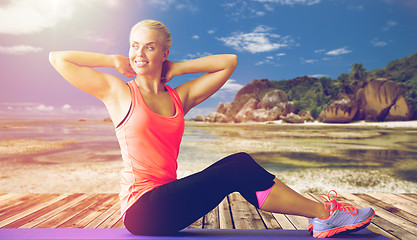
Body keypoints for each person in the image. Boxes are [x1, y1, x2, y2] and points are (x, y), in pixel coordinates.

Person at [49, 19, 374, 238]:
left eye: (149, 47)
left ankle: (323, 217)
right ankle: (323, 215)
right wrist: (111, 59)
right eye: (134, 45)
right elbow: (57, 58)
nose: (139, 53)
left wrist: (177, 69)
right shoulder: (119, 92)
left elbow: (229, 61)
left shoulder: (179, 97)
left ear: (164, 53)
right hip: (141, 211)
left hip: (168, 206)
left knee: (239, 167)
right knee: (236, 167)